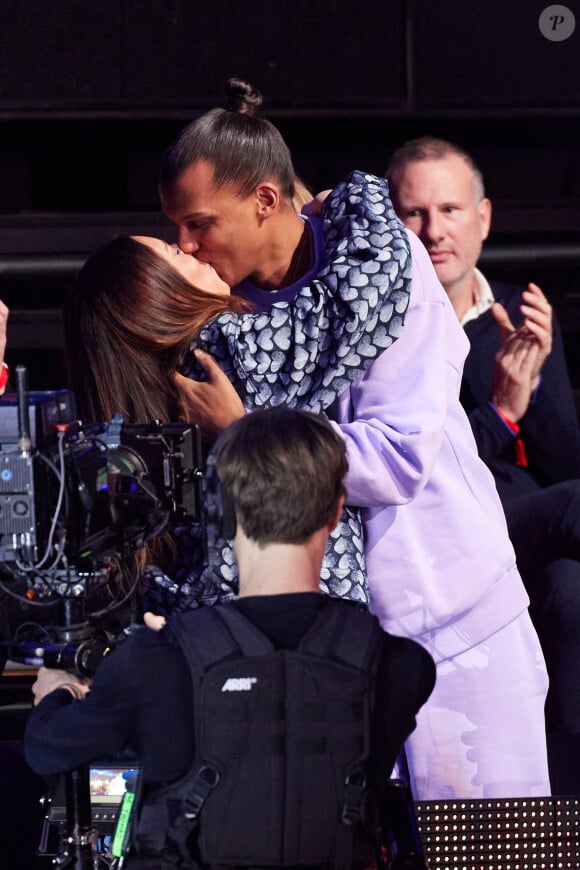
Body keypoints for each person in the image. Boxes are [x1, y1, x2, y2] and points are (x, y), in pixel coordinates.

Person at [159, 77, 551, 800]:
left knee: (492, 850)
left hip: (453, 629)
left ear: (266, 202)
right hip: (328, 656)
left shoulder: (383, 269)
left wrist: (244, 432)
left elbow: (399, 457)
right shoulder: (220, 316)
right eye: (177, 226)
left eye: (200, 223)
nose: (185, 244)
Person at [24, 407, 436, 869]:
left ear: (219, 511)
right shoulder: (403, 668)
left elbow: (46, 750)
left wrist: (56, 693)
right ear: (338, 510)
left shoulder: (153, 663)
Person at [64, 169, 412, 611]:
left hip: (198, 631)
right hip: (292, 627)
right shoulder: (221, 353)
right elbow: (364, 294)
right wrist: (357, 196)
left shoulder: (133, 404)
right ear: (156, 298)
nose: (190, 247)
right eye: (174, 251)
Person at [386, 135, 580, 793]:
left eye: (449, 210)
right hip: (443, 535)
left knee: (570, 591)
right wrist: (499, 411)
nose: (433, 231)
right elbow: (414, 462)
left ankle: (565, 795)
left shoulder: (516, 318)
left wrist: (541, 380)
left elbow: (562, 461)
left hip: (521, 526)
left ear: (484, 218)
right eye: (413, 213)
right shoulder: (388, 330)